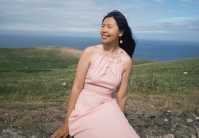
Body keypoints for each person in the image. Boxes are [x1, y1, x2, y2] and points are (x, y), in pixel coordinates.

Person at [51, 9, 140, 138]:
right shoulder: (89, 52)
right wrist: (66, 124)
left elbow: (122, 95)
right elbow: (76, 87)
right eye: (102, 26)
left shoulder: (126, 60)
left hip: (108, 109)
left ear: (120, 32)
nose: (103, 30)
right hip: (84, 109)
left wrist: (119, 122)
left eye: (109, 27)